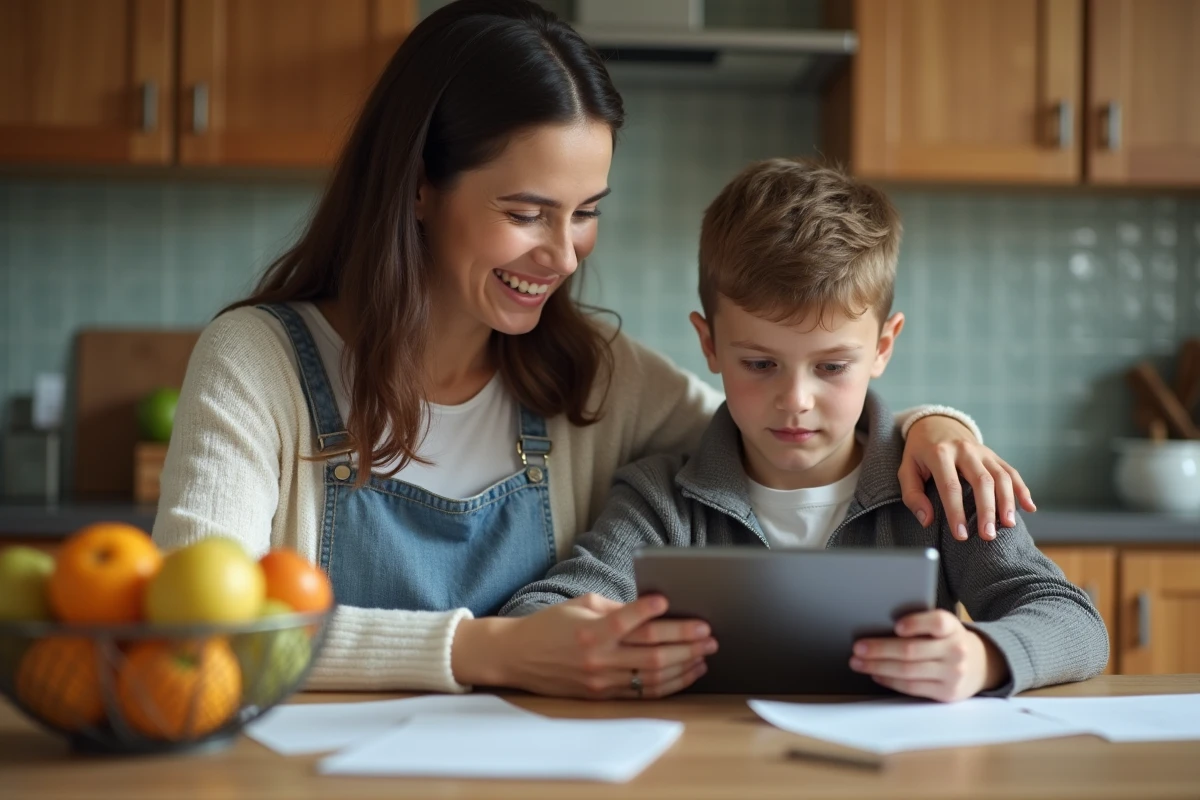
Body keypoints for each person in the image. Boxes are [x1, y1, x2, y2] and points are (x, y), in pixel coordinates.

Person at [152, 0, 1035, 698]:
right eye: (527, 212)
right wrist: (484, 650)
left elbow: (774, 421)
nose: (563, 253)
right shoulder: (259, 363)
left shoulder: (596, 376)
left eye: (587, 212)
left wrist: (930, 426)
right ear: (419, 189)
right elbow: (199, 629)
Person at [502, 159, 1108, 701]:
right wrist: (602, 652)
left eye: (831, 367)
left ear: (884, 345)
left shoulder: (940, 486)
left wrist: (981, 657)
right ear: (709, 344)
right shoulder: (659, 499)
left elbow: (1073, 622)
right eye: (760, 364)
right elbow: (541, 615)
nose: (795, 401)